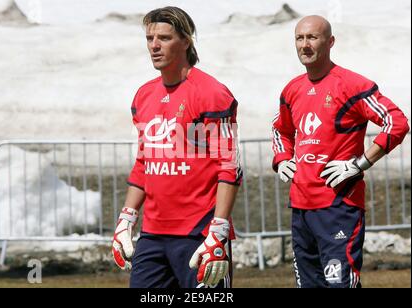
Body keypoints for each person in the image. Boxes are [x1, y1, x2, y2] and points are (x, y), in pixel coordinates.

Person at [272, 15, 409, 288]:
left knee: (340, 284)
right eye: (299, 38)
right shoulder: (292, 89)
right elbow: (280, 129)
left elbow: (397, 122)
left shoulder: (352, 85)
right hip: (301, 206)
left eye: (312, 37)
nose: (305, 45)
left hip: (339, 205)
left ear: (330, 41)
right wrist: (282, 158)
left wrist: (360, 164)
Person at [111, 6, 242, 288]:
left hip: (199, 234)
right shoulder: (144, 95)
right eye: (149, 38)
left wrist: (218, 231)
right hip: (153, 235)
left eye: (164, 38)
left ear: (186, 41)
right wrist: (126, 218)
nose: (155, 46)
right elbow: (144, 162)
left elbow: (229, 166)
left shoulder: (211, 94)